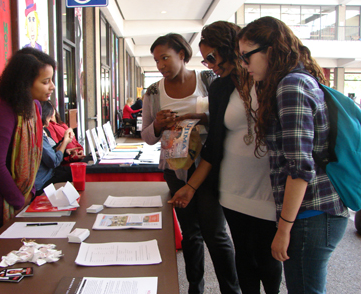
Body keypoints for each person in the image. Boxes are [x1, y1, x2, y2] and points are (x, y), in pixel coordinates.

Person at [237, 16, 349, 294]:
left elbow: (299, 167)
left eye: (246, 57)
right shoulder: (296, 81)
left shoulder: (291, 86)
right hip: (313, 211)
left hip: (312, 212)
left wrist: (284, 228)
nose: (244, 65)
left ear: (271, 51)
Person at [169, 21, 282, 294]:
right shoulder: (220, 89)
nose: (210, 65)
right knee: (243, 257)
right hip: (233, 190)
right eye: (205, 60)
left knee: (268, 259)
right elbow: (214, 146)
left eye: (212, 57)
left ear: (229, 47)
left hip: (269, 188)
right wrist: (191, 187)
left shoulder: (272, 81)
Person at [142, 33, 240, 294]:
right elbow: (147, 137)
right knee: (190, 233)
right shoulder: (152, 92)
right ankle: (195, 287)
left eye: (165, 57)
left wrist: (201, 118)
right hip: (175, 168)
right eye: (156, 60)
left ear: (182, 55)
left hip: (209, 165)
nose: (160, 65)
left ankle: (231, 289)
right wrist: (158, 125)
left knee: (216, 233)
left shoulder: (208, 80)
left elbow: (224, 121)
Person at [0, 47, 56, 239]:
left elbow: (34, 155)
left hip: (21, 197)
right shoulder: (2, 110)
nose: (52, 87)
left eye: (51, 80)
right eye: (45, 81)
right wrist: (19, 200)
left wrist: (30, 193)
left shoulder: (34, 107)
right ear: (25, 82)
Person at [34, 100, 74, 194]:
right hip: (44, 180)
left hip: (49, 173)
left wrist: (64, 149)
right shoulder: (38, 135)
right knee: (74, 174)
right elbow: (54, 161)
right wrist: (64, 143)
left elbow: (49, 153)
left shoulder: (43, 132)